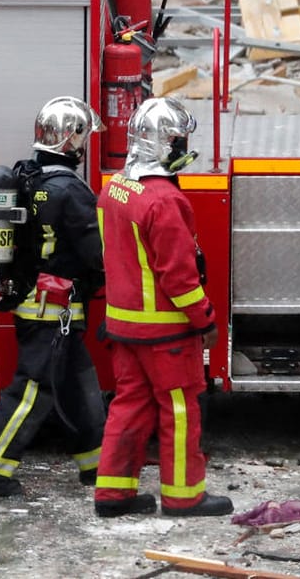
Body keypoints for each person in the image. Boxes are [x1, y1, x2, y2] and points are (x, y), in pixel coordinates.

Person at [93, 97, 230, 519]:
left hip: (123, 326)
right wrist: (205, 320)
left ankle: (112, 494)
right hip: (165, 331)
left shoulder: (113, 189)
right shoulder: (164, 201)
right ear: (166, 144)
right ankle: (183, 496)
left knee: (129, 405)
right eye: (180, 141)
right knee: (180, 408)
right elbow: (179, 277)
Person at [0, 96, 107, 497]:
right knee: (34, 388)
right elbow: (95, 254)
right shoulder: (70, 190)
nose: (84, 147)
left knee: (80, 383)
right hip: (53, 309)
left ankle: (100, 464)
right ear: (70, 141)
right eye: (82, 138)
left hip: (37, 302)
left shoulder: (27, 176)